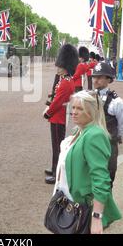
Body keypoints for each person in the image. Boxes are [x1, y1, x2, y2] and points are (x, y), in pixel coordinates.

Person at [53, 90, 122, 234]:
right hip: (69, 200)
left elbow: (101, 178)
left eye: (80, 108)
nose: (74, 112)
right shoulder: (79, 130)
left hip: (82, 207)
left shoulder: (94, 135)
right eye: (73, 107)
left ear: (91, 112)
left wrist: (97, 217)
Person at [43, 44, 78, 184]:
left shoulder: (66, 82)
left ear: (65, 67)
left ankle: (57, 175)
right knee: (56, 145)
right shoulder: (65, 80)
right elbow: (57, 96)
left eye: (59, 66)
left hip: (58, 117)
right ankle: (53, 168)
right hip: (58, 116)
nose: (57, 68)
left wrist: (47, 113)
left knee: (58, 146)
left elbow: (57, 102)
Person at [92, 62, 123, 185]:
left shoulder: (117, 102)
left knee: (108, 175)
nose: (95, 80)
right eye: (94, 77)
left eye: (99, 77)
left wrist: (119, 137)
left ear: (108, 79)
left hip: (108, 145)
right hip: (92, 143)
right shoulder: (89, 97)